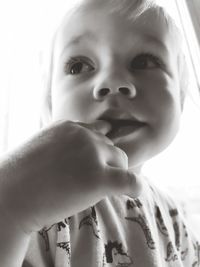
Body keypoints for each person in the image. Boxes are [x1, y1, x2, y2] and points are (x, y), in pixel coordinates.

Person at [0, 0, 199, 266]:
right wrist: (9, 204)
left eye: (144, 60)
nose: (112, 83)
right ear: (49, 107)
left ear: (181, 97)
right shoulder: (36, 194)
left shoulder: (175, 216)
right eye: (78, 66)